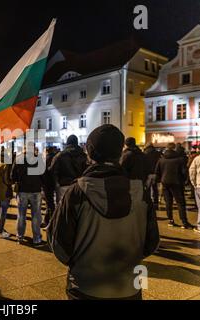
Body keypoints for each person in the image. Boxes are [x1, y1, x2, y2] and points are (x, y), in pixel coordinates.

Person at [48, 124, 159, 300]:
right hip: (130, 285)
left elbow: (59, 243)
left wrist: (78, 264)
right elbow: (152, 242)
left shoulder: (76, 192)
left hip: (86, 286)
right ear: (119, 153)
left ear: (90, 153)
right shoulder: (139, 191)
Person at [11, 144, 44, 246]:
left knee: (21, 215)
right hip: (35, 190)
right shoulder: (38, 159)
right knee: (35, 215)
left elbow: (12, 176)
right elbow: (43, 174)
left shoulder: (19, 159)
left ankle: (20, 236)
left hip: (22, 190)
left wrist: (19, 180)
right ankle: (36, 238)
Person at [155, 143, 192, 229]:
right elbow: (184, 172)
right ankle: (184, 222)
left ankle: (170, 220)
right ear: (174, 148)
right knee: (180, 203)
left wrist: (161, 180)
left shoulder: (161, 160)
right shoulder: (180, 159)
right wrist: (184, 181)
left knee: (168, 202)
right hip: (177, 183)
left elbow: (157, 172)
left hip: (165, 183)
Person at [50, 135, 88, 204]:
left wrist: (56, 183)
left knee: (63, 209)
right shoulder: (84, 156)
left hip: (64, 186)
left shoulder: (60, 155)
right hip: (80, 186)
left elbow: (53, 170)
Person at [41, 147, 57, 228]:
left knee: (49, 203)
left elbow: (42, 173)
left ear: (47, 151)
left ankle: (51, 221)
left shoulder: (45, 160)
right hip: (54, 183)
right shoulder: (56, 158)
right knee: (50, 202)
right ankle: (47, 220)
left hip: (47, 184)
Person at [144, 143, 162, 209]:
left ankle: (149, 202)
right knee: (155, 189)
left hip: (148, 174)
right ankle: (156, 203)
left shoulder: (145, 153)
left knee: (147, 189)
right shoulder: (157, 153)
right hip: (155, 173)